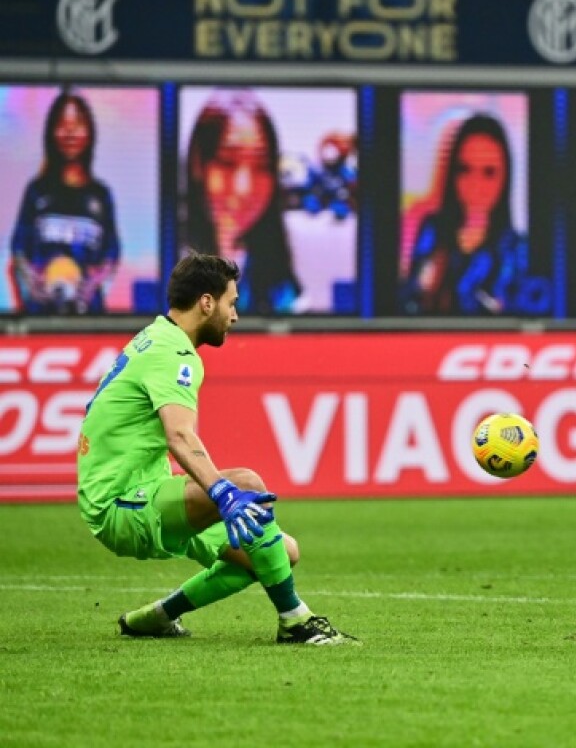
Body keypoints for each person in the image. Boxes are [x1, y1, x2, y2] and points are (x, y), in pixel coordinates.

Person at [76, 253, 356, 644]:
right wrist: (224, 493)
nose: (234, 315)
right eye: (232, 302)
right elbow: (180, 436)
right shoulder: (173, 352)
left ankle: (155, 617)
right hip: (122, 504)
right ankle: (296, 621)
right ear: (207, 302)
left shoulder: (156, 338)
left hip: (145, 493)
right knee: (249, 486)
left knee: (279, 553)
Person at [180, 91, 302, 314]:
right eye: (228, 163)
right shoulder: (169, 261)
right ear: (199, 164)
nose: (243, 188)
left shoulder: (279, 284)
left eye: (260, 167)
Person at [401, 113, 525, 315]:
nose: (475, 186)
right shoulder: (431, 232)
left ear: (506, 177)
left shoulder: (515, 250)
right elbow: (408, 303)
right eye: (465, 170)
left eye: (489, 173)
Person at [10, 89, 120, 315]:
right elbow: (18, 250)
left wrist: (92, 284)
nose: (70, 131)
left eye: (77, 123)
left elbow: (112, 255)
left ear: (90, 132)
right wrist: (32, 284)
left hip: (90, 319)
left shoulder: (101, 195)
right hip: (40, 318)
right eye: (62, 124)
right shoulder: (37, 191)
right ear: (51, 132)